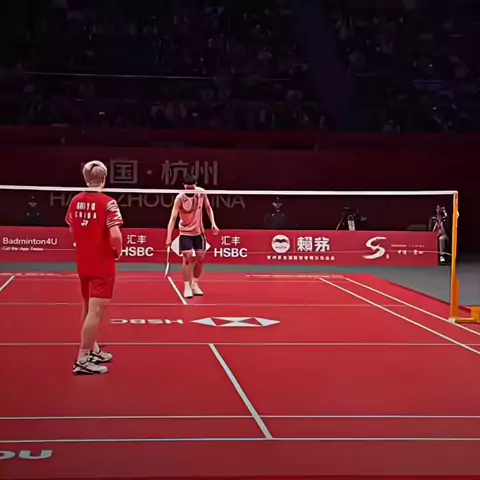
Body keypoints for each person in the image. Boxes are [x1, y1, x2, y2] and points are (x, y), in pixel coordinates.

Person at [65, 160, 124, 375]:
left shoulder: (75, 201)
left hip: (83, 262)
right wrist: (118, 250)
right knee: (96, 311)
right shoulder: (109, 203)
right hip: (102, 264)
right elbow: (115, 235)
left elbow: (72, 228)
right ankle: (82, 359)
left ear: (85, 178)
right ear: (104, 179)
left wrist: (82, 243)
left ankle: (92, 349)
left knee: (88, 307)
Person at [166, 173, 219, 298]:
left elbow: (208, 208)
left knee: (201, 258)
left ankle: (194, 284)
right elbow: (173, 218)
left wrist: (213, 223)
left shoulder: (201, 193)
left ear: (195, 185)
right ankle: (187, 286)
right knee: (187, 257)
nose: (190, 190)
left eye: (192, 188)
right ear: (184, 186)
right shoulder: (180, 198)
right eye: (187, 188)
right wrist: (168, 237)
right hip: (185, 232)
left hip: (199, 232)